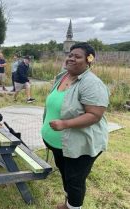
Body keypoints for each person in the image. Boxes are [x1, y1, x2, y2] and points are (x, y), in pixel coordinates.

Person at [41, 42, 109, 209]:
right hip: (60, 144)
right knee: (66, 176)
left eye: (77, 56)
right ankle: (68, 204)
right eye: (70, 55)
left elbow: (95, 115)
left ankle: (73, 206)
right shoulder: (63, 76)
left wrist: (65, 123)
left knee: (75, 181)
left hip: (80, 145)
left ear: (89, 60)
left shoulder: (91, 83)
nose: (71, 58)